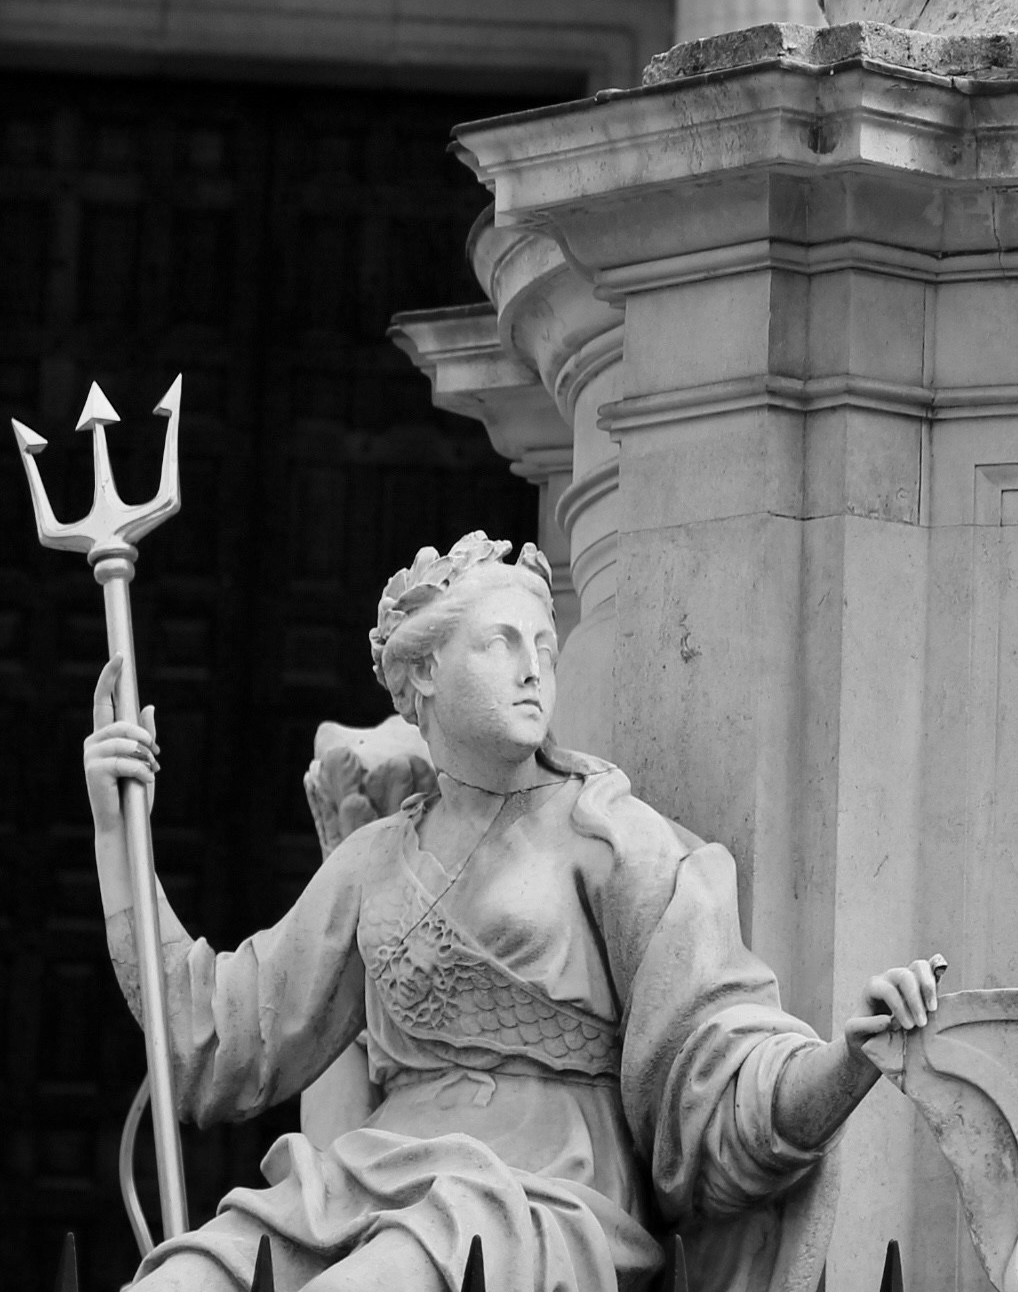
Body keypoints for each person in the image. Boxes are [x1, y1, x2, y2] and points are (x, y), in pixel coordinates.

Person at [84, 531, 941, 1292]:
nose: (534, 669)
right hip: (367, 1179)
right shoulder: (372, 862)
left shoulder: (613, 839)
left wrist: (843, 1062)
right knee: (185, 1278)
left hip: (534, 1196)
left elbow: (717, 1063)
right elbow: (219, 1039)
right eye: (502, 643)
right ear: (424, 672)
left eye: (545, 646)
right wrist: (116, 828)